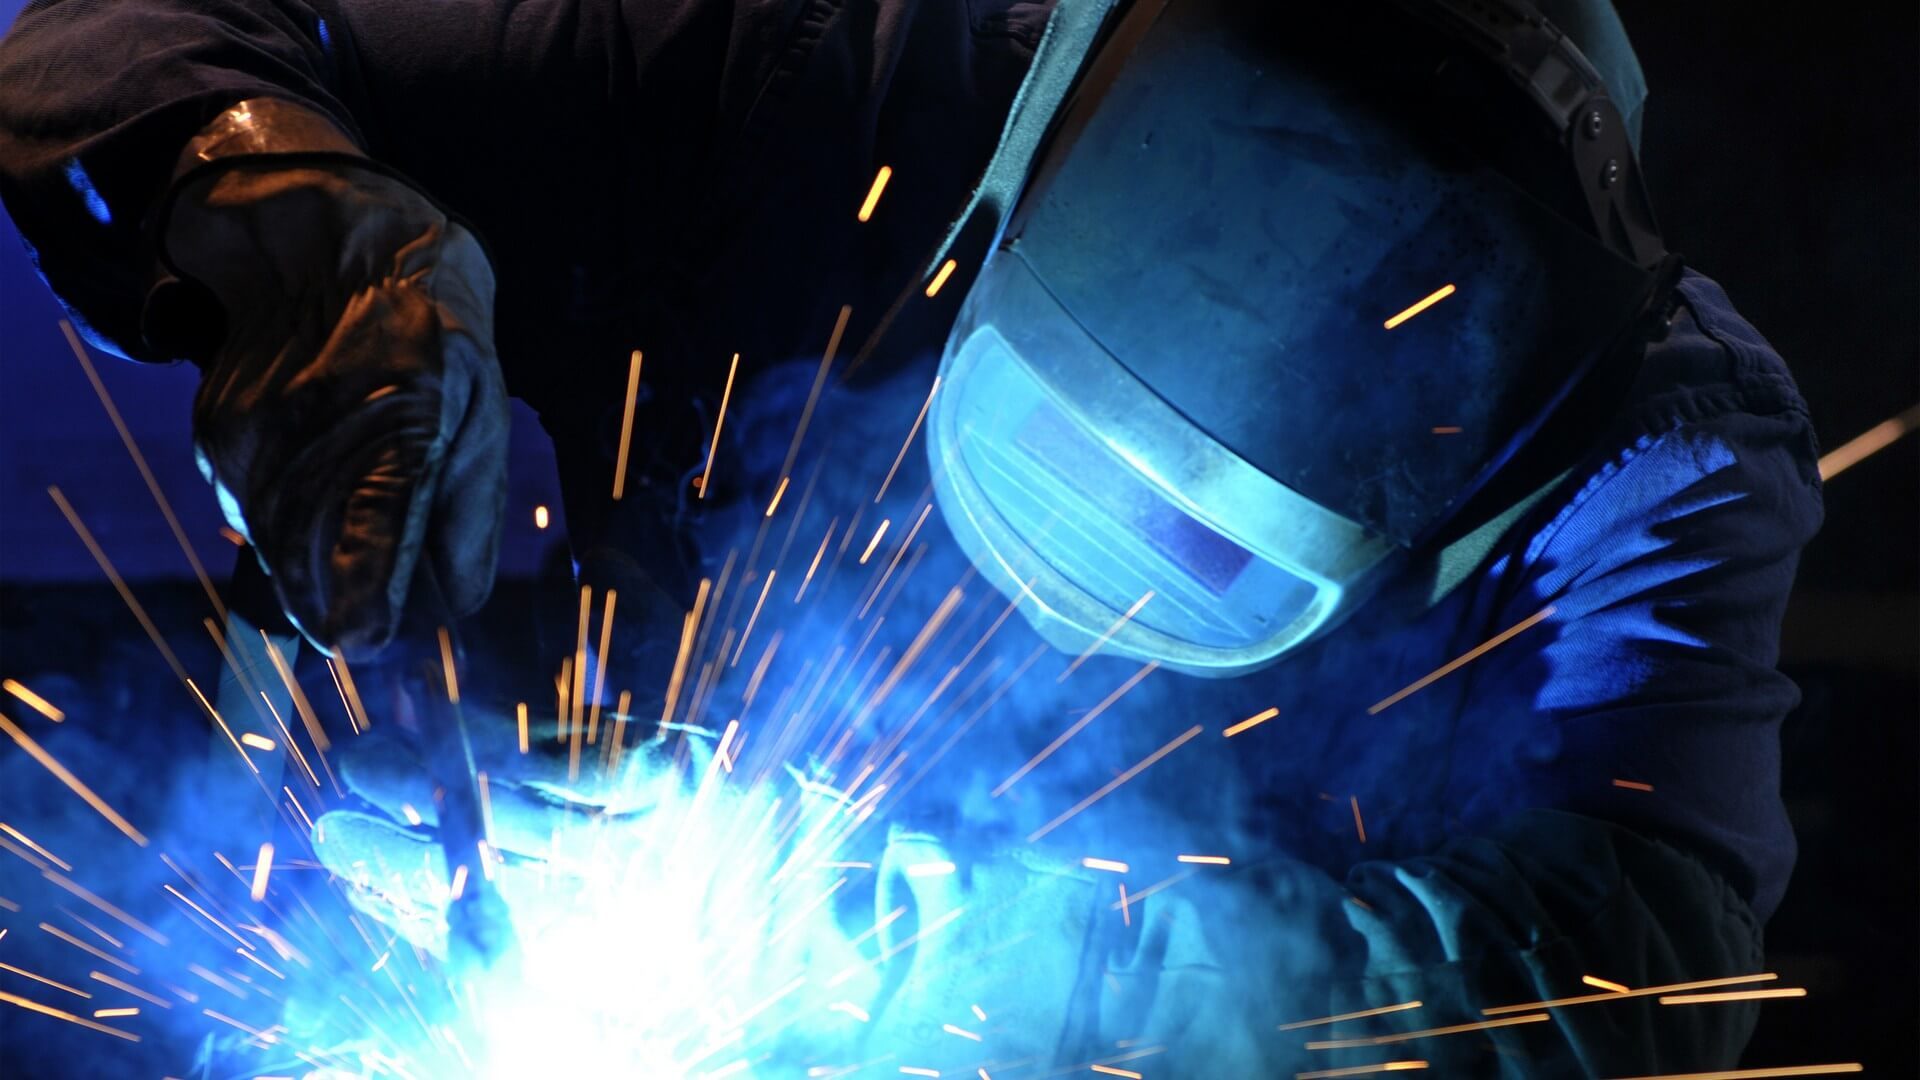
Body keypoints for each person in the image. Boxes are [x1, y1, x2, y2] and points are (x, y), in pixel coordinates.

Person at [0, 0, 1820, 1076]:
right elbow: (117, 24)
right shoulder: (839, 63)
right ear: (1035, 170)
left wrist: (926, 932)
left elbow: (1627, 982)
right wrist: (271, 205)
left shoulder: (1652, 456)